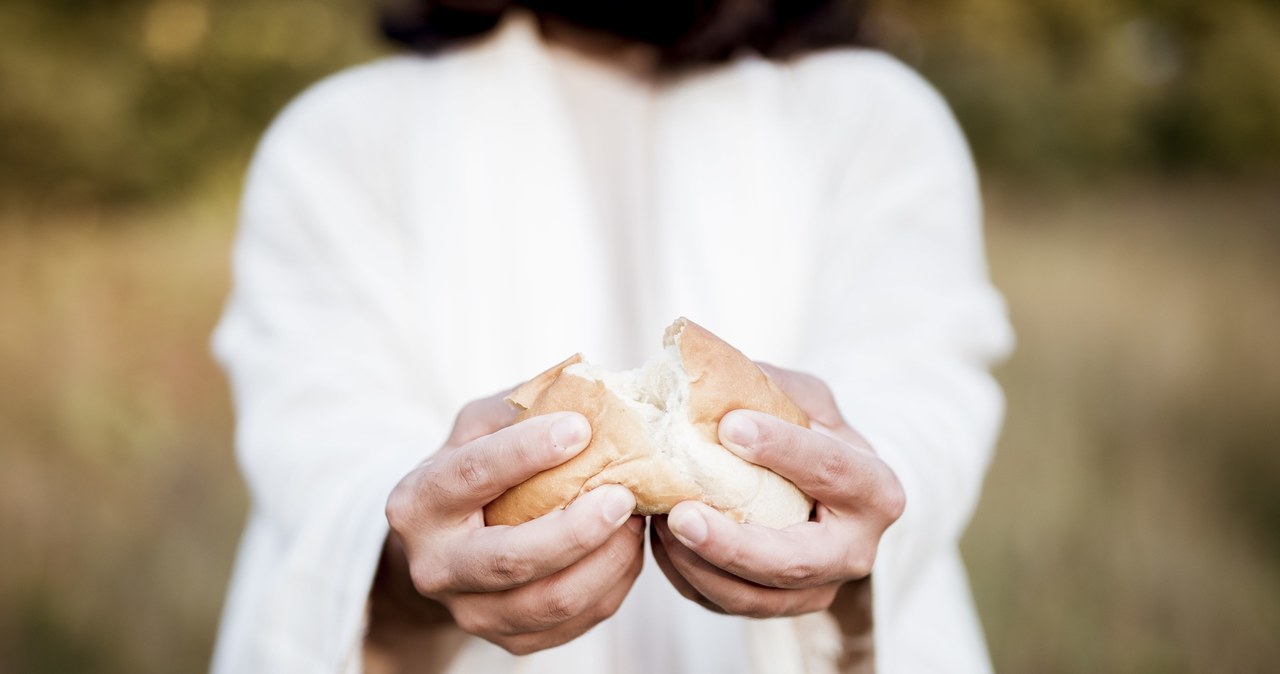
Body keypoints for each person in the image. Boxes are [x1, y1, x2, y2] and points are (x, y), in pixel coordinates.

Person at [210, 1, 1014, 672]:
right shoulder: (338, 140)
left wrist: (852, 486)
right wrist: (404, 560)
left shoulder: (874, 116)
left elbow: (922, 387)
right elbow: (318, 445)